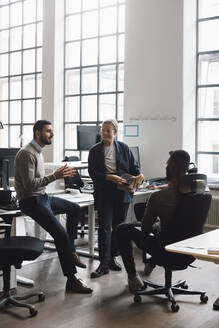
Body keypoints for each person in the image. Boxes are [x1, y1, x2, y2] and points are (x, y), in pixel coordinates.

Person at [14, 120, 93, 294]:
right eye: (48, 131)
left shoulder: (37, 151)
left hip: (42, 197)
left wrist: (55, 177)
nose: (52, 134)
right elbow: (29, 186)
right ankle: (72, 280)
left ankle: (70, 250)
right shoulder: (27, 153)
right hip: (31, 201)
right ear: (37, 133)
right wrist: (55, 176)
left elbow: (37, 184)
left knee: (74, 208)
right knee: (60, 234)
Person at [116, 150, 190, 293]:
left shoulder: (158, 198)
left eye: (167, 164)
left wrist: (156, 220)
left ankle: (133, 277)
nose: (166, 167)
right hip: (189, 251)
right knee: (161, 229)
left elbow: (144, 230)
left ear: (173, 167)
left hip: (166, 250)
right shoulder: (199, 192)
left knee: (122, 229)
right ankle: (151, 262)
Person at [88, 119, 144, 278]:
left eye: (108, 130)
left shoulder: (124, 148)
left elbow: (135, 167)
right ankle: (103, 263)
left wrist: (140, 174)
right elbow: (93, 173)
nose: (104, 133)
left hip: (122, 192)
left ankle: (112, 258)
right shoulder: (95, 150)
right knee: (105, 228)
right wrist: (109, 177)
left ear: (115, 132)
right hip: (105, 192)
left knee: (118, 229)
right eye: (103, 130)